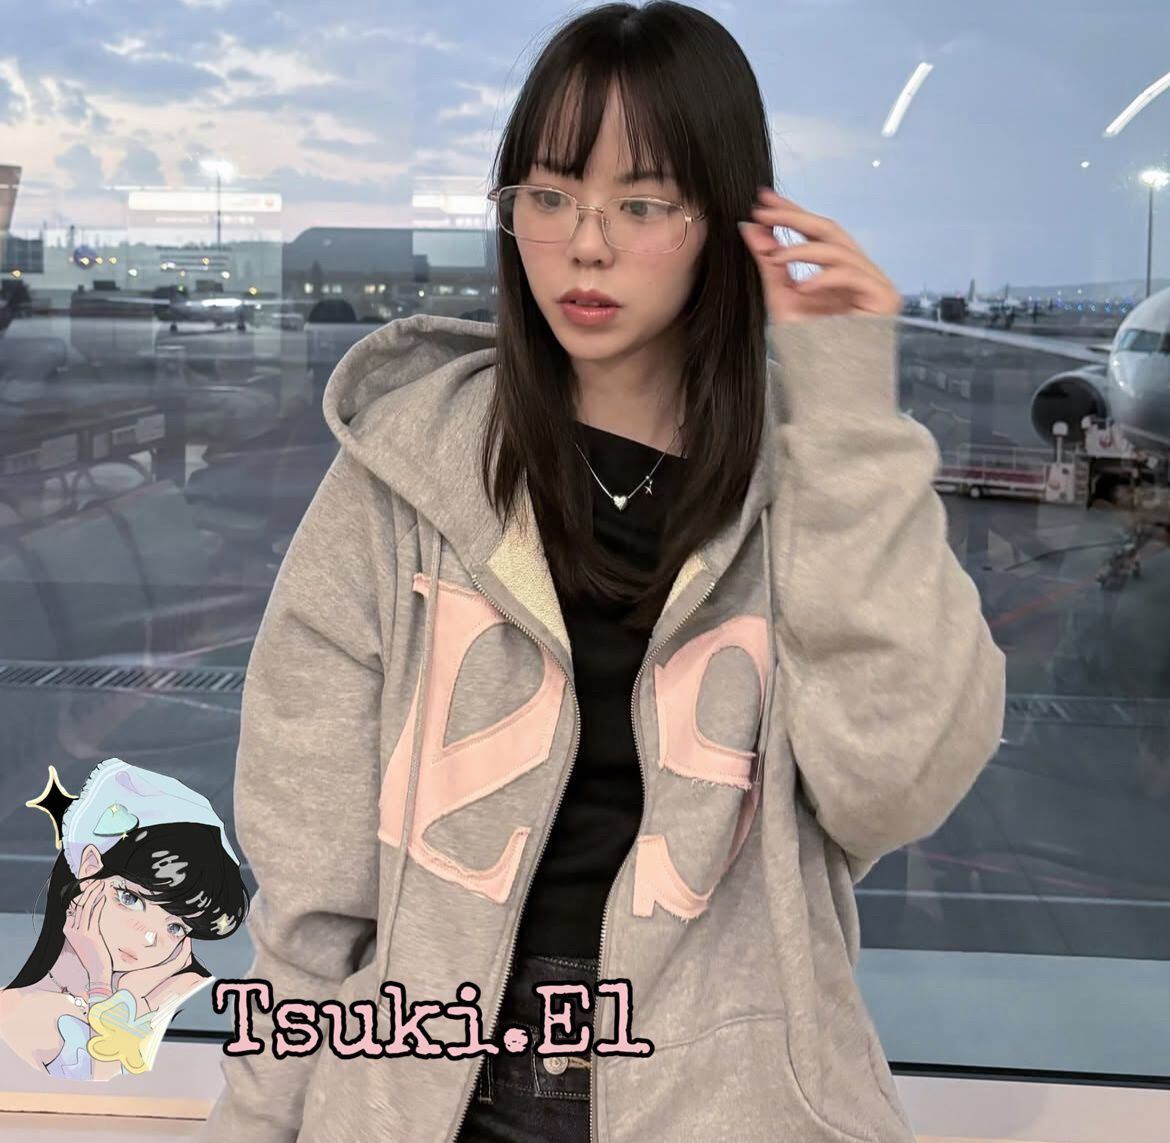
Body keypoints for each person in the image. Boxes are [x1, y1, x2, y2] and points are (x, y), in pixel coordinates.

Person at [197, 3, 1006, 1141]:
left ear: (729, 218)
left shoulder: (813, 479)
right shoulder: (403, 478)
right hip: (427, 1095)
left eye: (643, 203)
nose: (585, 245)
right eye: (549, 195)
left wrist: (851, 415)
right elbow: (311, 889)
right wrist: (258, 1121)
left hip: (730, 1104)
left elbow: (896, 785)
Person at [0, 759, 249, 1080]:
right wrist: (100, 980)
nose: (149, 937)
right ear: (89, 868)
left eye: (175, 927)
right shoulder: (22, 1009)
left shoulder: (181, 996)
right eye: (130, 899)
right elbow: (106, 1079)